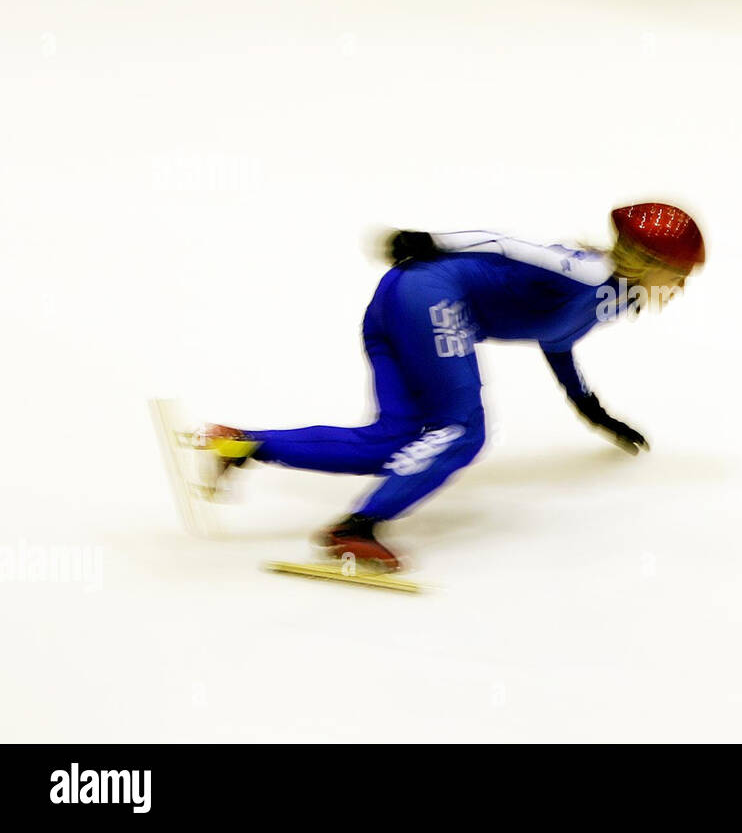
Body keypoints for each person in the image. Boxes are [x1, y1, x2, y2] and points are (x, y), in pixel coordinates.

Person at [196, 203, 705, 570]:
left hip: (403, 300)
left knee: (393, 442)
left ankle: (239, 443)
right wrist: (433, 241)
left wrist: (588, 407)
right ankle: (354, 530)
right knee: (461, 430)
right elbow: (508, 245)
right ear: (653, 263)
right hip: (433, 295)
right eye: (680, 274)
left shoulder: (613, 298)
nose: (681, 286)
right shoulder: (590, 269)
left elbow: (556, 339)